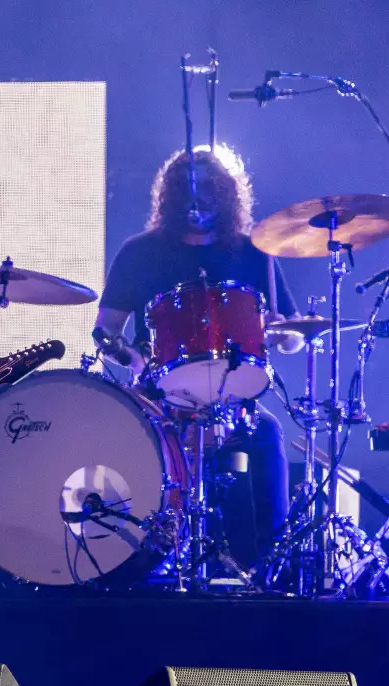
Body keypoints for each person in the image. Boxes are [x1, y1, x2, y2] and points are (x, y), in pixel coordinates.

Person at [94, 147, 301, 567]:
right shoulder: (139, 252)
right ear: (169, 198)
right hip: (158, 399)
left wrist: (282, 335)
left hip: (233, 397)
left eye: (207, 191)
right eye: (186, 192)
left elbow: (293, 332)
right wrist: (138, 363)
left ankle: (269, 566)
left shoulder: (253, 252)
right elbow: (105, 332)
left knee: (267, 434)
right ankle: (136, 563)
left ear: (224, 197)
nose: (196, 201)